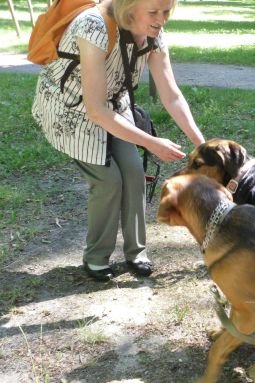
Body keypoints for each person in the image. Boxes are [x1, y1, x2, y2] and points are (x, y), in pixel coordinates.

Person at [32, 0, 204, 281]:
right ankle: (96, 257)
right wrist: (151, 142)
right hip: (71, 109)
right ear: (129, 7)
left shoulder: (153, 32)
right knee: (108, 181)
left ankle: (136, 252)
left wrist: (201, 143)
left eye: (166, 12)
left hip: (113, 105)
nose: (161, 20)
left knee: (134, 174)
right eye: (154, 12)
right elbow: (95, 110)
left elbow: (171, 94)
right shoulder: (93, 25)